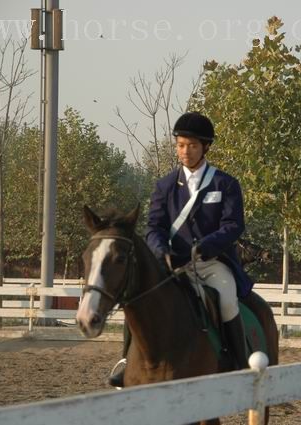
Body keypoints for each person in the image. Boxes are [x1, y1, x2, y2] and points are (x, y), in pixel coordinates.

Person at [108, 111, 252, 387]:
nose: (185, 151)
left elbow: (233, 225)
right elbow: (154, 226)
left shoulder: (225, 184)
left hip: (210, 263)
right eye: (181, 145)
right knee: (136, 298)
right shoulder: (164, 186)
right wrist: (161, 250)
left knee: (227, 298)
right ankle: (126, 360)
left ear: (206, 147)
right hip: (173, 264)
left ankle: (238, 360)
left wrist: (205, 246)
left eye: (192, 145)